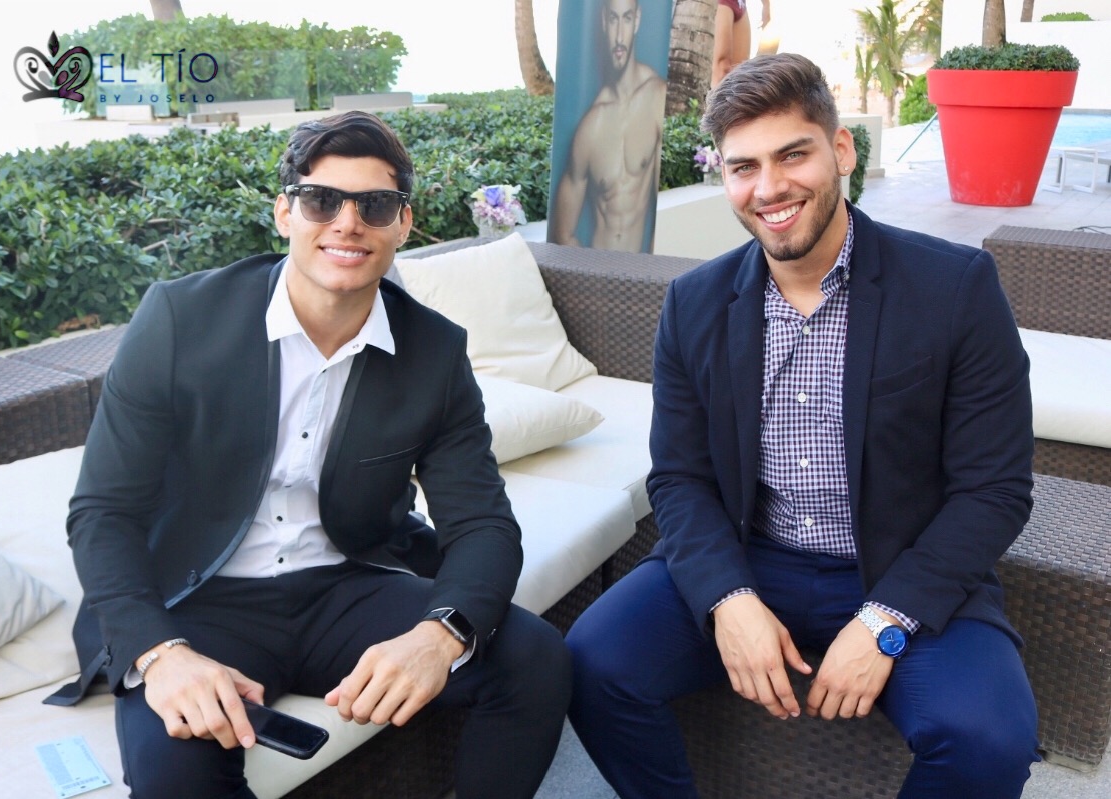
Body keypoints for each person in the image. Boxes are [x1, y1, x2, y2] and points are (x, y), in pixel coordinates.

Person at [57, 110, 571, 799]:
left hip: (347, 582)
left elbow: (481, 522)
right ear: (284, 213)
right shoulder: (181, 318)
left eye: (375, 205)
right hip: (198, 598)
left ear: (403, 224)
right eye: (321, 200)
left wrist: (441, 633)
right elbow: (103, 511)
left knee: (535, 658)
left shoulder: (434, 349)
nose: (347, 223)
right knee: (174, 772)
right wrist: (161, 654)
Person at [565, 53, 1040, 798]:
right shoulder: (694, 302)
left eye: (793, 155)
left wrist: (884, 621)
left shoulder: (953, 287)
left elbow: (995, 490)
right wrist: (727, 598)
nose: (769, 188)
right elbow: (680, 477)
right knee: (594, 662)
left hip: (898, 562)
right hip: (752, 555)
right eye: (743, 167)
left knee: (987, 738)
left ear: (841, 149)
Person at [548, 0, 667, 252]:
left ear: (637, 20)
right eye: (613, 19)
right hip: (598, 265)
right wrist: (589, 273)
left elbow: (663, 211)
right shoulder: (590, 126)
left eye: (626, 18)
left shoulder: (656, 98)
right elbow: (563, 234)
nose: (619, 36)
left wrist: (650, 271)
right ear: (603, 22)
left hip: (640, 267)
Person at [711, 0, 773, 88]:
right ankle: (713, 95)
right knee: (722, 66)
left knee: (739, 72)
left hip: (740, 4)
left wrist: (766, 5)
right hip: (722, 3)